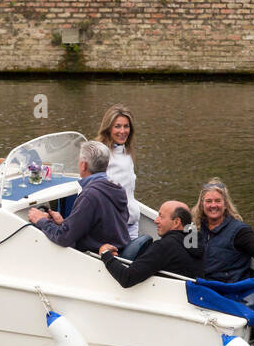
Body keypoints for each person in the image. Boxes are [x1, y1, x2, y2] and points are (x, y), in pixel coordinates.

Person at [26, 140, 129, 254]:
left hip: (92, 257)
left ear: (83, 165)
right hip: (116, 249)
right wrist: (63, 223)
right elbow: (101, 227)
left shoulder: (90, 195)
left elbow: (64, 238)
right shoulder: (117, 188)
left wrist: (41, 220)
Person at [193, 177, 254, 283]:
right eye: (209, 201)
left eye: (218, 201)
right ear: (202, 205)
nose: (213, 205)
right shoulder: (195, 229)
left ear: (225, 205)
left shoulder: (239, 231)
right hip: (202, 285)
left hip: (229, 288)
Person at [99, 201, 203, 287]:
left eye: (161, 217)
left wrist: (105, 254)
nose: (156, 221)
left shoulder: (165, 247)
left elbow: (127, 278)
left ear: (176, 222)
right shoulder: (196, 242)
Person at [96, 103, 140, 240]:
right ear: (108, 129)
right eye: (117, 126)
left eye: (126, 126)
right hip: (114, 226)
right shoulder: (100, 154)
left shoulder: (127, 152)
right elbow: (91, 189)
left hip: (132, 222)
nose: (123, 131)